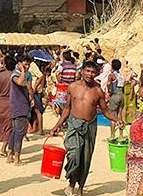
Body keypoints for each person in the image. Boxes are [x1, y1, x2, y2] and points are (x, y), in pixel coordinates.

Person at [50, 60, 123, 196]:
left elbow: (106, 111)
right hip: (74, 125)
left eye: (93, 72)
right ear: (82, 71)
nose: (90, 74)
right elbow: (66, 109)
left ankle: (80, 187)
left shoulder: (98, 91)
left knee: (85, 158)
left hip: (90, 127)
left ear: (96, 73)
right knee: (73, 155)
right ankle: (71, 183)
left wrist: (117, 119)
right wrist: (57, 126)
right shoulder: (72, 87)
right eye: (87, 71)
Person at [8, 54, 33, 165]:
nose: (27, 67)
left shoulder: (23, 74)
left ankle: (10, 155)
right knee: (19, 133)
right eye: (25, 64)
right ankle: (17, 158)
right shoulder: (16, 74)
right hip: (19, 106)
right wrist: (23, 70)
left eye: (28, 64)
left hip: (20, 106)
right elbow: (19, 82)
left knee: (15, 132)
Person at [0, 55, 14, 158]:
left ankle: (5, 145)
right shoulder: (15, 76)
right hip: (12, 102)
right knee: (9, 126)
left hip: (1, 102)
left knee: (4, 123)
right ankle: (4, 148)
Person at [106, 59, 126, 139]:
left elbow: (109, 85)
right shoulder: (121, 75)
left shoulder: (111, 75)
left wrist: (109, 94)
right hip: (121, 94)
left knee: (113, 116)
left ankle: (112, 135)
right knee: (120, 116)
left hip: (115, 95)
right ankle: (121, 135)